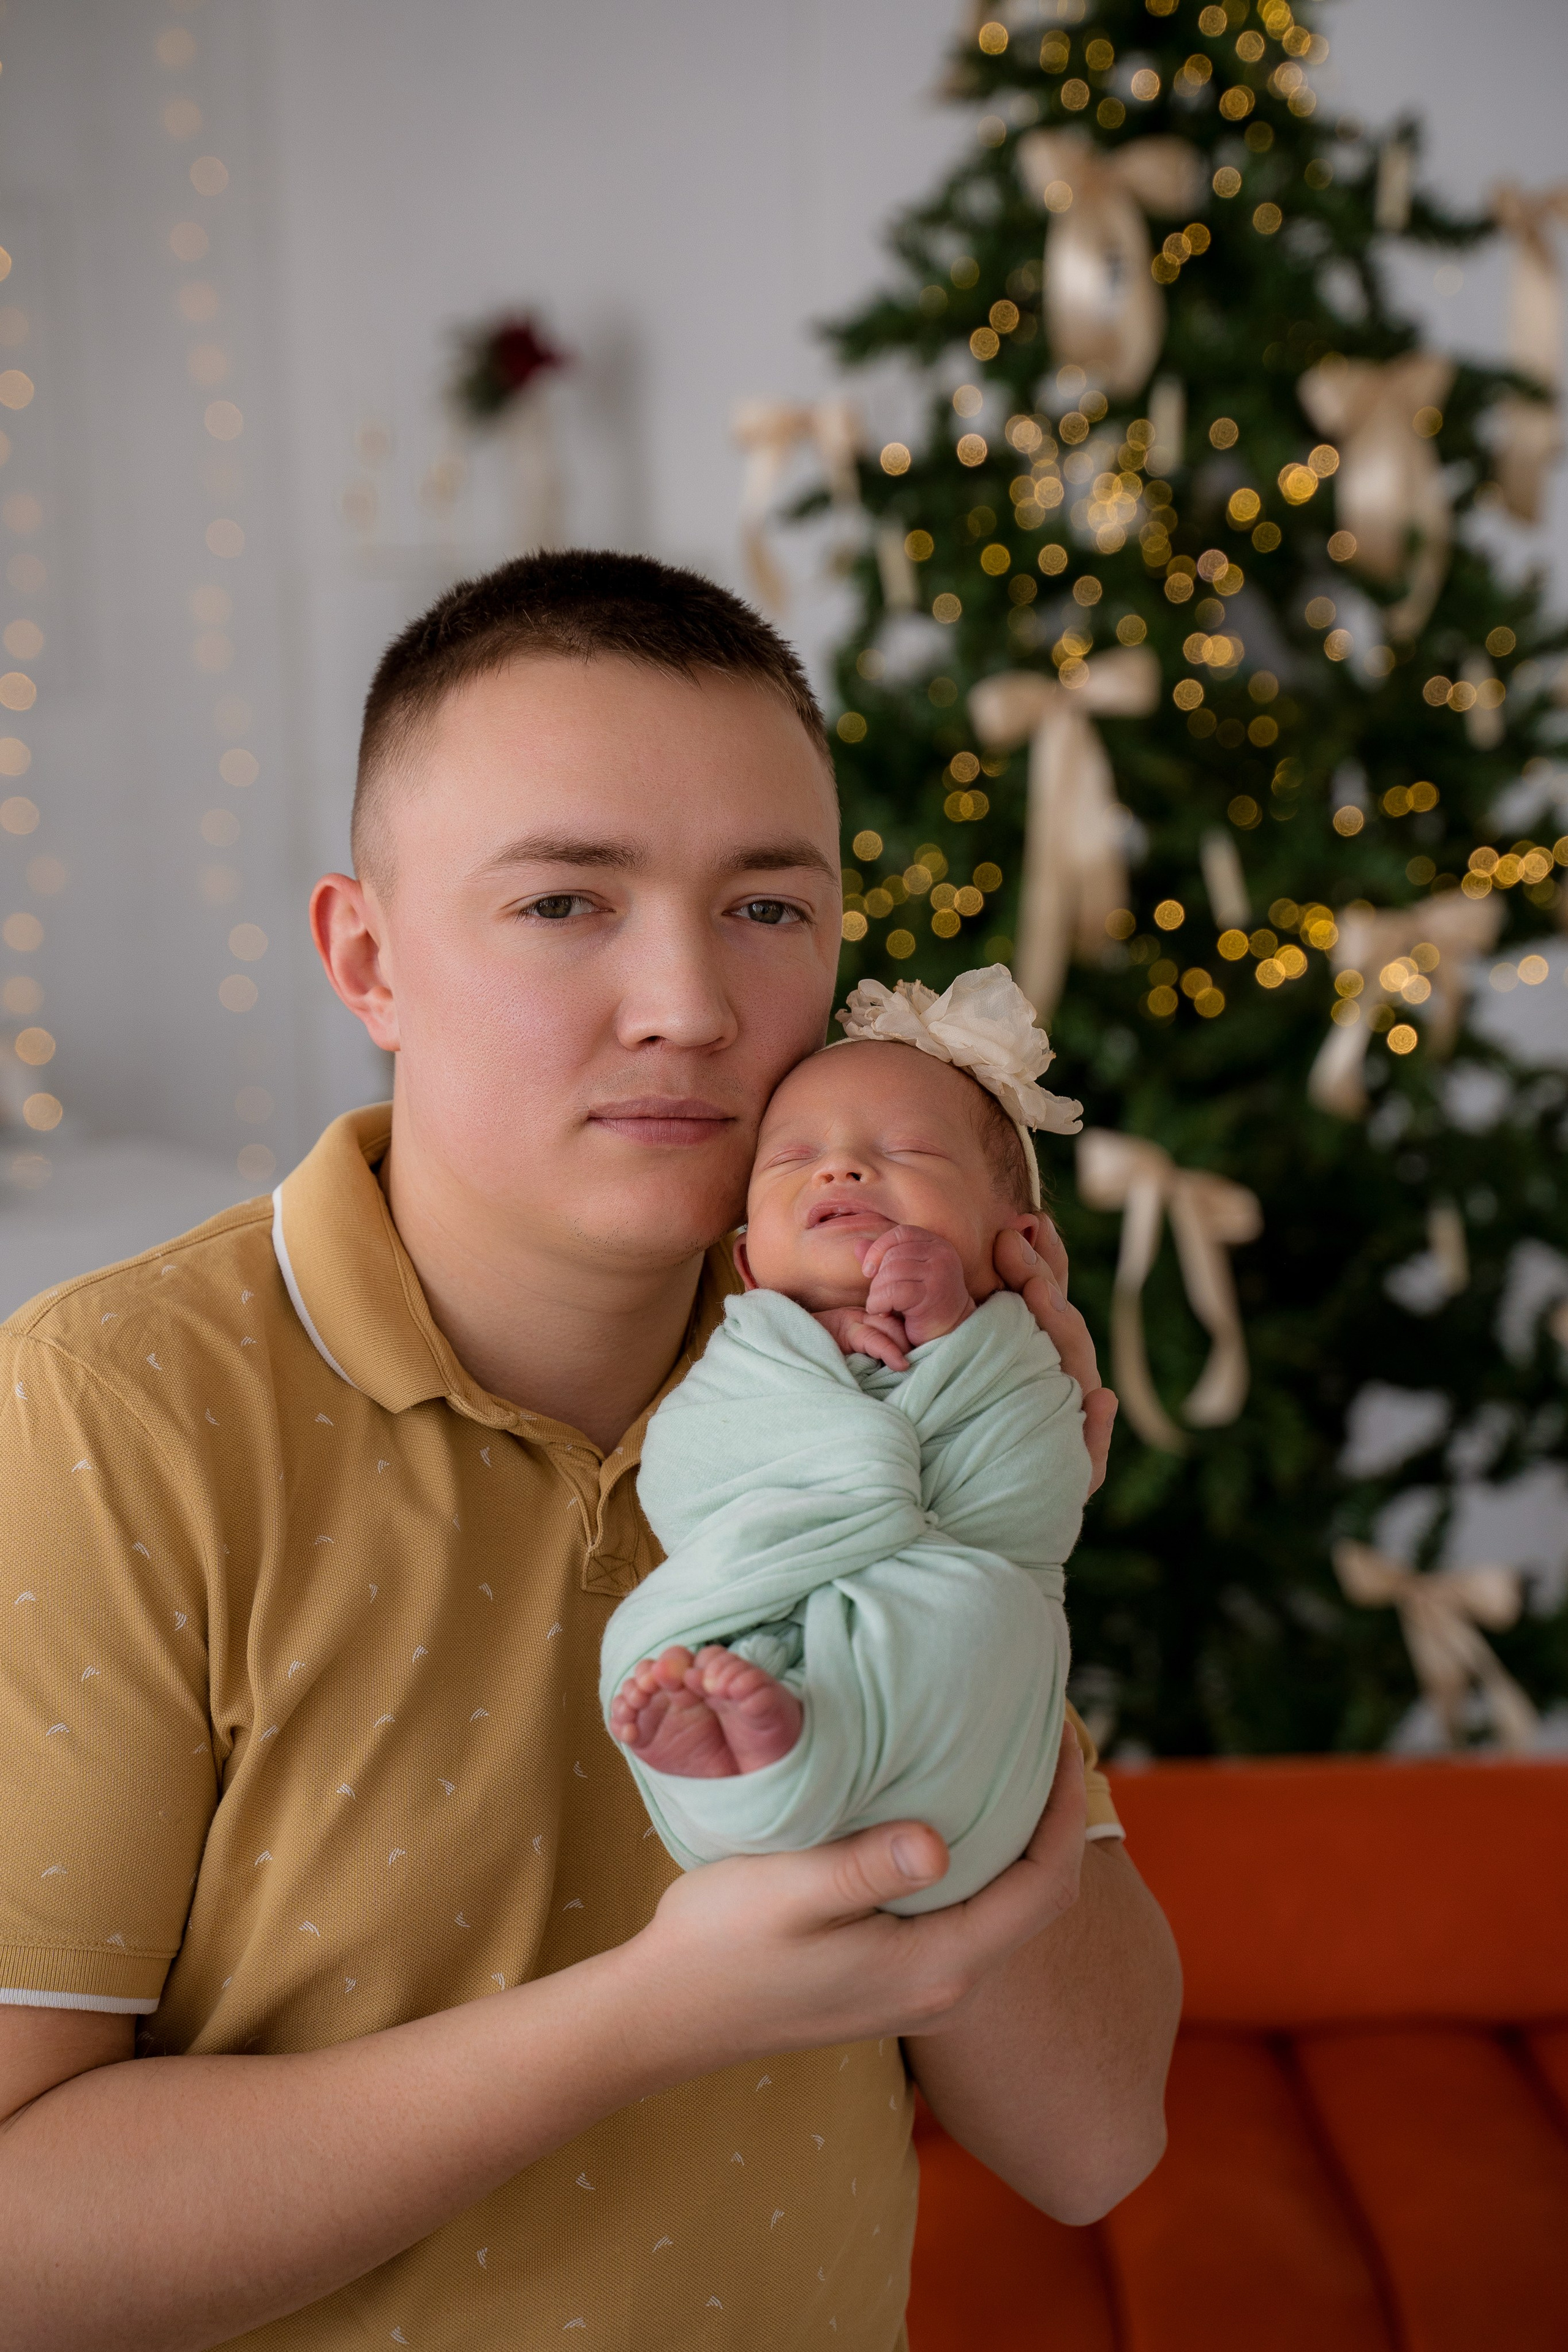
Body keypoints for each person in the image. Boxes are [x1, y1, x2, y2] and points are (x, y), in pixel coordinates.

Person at [0, 551, 1180, 2352]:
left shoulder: (873, 1376)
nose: (691, 1005)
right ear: (368, 957)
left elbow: (1095, 2142)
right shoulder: (98, 1420)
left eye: (769, 911)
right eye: (566, 902)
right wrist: (652, 2015)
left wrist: (993, 1546)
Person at [604, 970, 1095, 1916]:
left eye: (904, 1150)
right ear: (750, 1264)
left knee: (977, 1617)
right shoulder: (750, 1355)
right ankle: (754, 1758)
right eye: (793, 1160)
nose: (839, 1171)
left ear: (1017, 1240)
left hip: (951, 1721)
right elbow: (685, 1483)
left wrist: (955, 1337)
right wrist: (811, 1371)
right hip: (767, 1609)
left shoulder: (1013, 1358)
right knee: (644, 1645)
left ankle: (790, 1748)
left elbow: (1033, 1495)